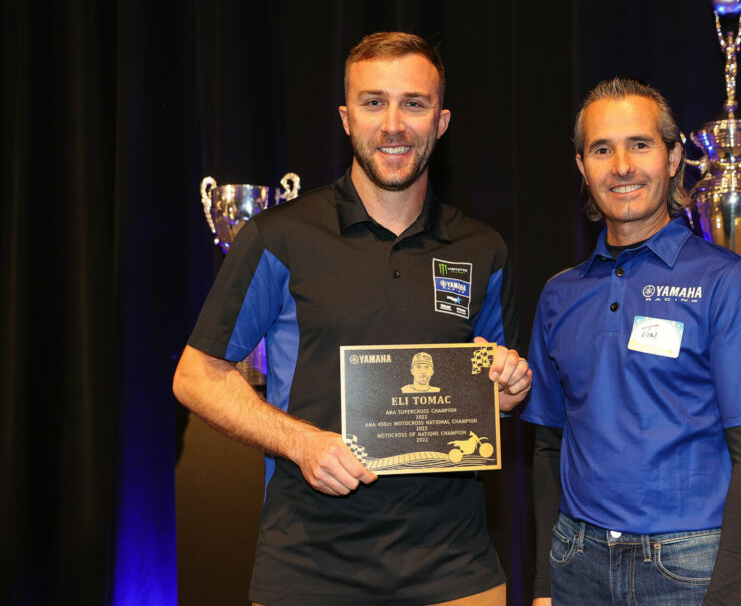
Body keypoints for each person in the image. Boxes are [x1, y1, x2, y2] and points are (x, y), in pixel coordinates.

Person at [173, 31, 531, 606]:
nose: (393, 123)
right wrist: (301, 442)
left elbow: (491, 399)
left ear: (441, 122)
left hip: (455, 568)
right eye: (373, 102)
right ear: (346, 118)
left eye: (414, 103)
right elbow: (194, 375)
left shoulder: (481, 249)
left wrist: (509, 390)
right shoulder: (279, 237)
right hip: (310, 567)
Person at [521, 77, 741, 606]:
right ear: (582, 167)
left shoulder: (726, 281)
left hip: (686, 569)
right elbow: (547, 445)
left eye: (640, 144)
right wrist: (541, 587)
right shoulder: (559, 294)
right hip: (574, 563)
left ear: (673, 158)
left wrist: (725, 598)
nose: (622, 165)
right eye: (602, 149)